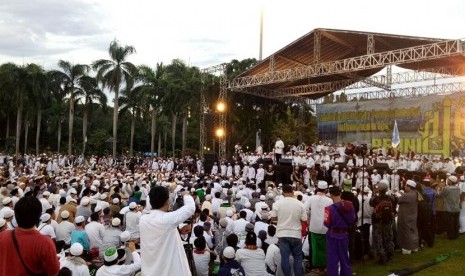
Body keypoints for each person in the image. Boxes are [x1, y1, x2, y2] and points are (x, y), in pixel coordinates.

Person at [140, 186, 195, 275]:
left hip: (150, 271)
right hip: (170, 271)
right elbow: (190, 208)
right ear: (167, 201)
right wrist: (186, 195)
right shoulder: (167, 220)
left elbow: (159, 232)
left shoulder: (143, 219)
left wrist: (179, 231)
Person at [0, 196, 60, 275]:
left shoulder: (2, 236)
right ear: (38, 216)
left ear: (15, 215)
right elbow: (54, 272)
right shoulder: (45, 243)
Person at [271, 184, 308, 276]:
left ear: (283, 193)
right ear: (292, 192)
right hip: (295, 234)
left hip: (283, 234)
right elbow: (304, 219)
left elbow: (273, 219)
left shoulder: (277, 203)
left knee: (285, 258)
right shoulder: (300, 204)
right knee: (298, 258)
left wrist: (282, 218)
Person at [324, 186, 356, 276]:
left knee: (332, 260)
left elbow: (326, 224)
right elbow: (352, 219)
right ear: (340, 194)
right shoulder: (350, 205)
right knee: (344, 258)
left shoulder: (328, 208)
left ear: (330, 195)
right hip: (344, 235)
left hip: (332, 235)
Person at [305, 181, 333, 273]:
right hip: (325, 227)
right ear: (326, 190)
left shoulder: (311, 198)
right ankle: (325, 266)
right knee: (325, 247)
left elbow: (305, 209)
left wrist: (309, 218)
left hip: (314, 226)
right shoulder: (329, 200)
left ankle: (317, 268)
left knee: (315, 248)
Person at [370, 180, 396, 264]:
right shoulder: (391, 198)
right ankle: (390, 256)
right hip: (388, 221)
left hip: (378, 221)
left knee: (378, 239)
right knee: (388, 238)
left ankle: (381, 257)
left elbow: (371, 203)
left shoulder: (375, 198)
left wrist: (374, 193)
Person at [397, 180, 419, 254]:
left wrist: (398, 194)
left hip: (406, 215)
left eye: (406, 186)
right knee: (413, 230)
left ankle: (407, 248)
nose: (404, 187)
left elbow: (398, 200)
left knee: (406, 232)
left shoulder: (407, 195)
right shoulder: (415, 193)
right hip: (413, 214)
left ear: (409, 187)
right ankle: (414, 247)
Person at [437, 175, 461, 239]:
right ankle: (456, 234)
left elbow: (440, 195)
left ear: (451, 181)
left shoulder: (447, 189)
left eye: (448, 180)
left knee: (450, 223)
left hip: (449, 208)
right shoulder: (457, 188)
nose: (447, 181)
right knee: (455, 222)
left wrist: (439, 189)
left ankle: (451, 236)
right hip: (456, 207)